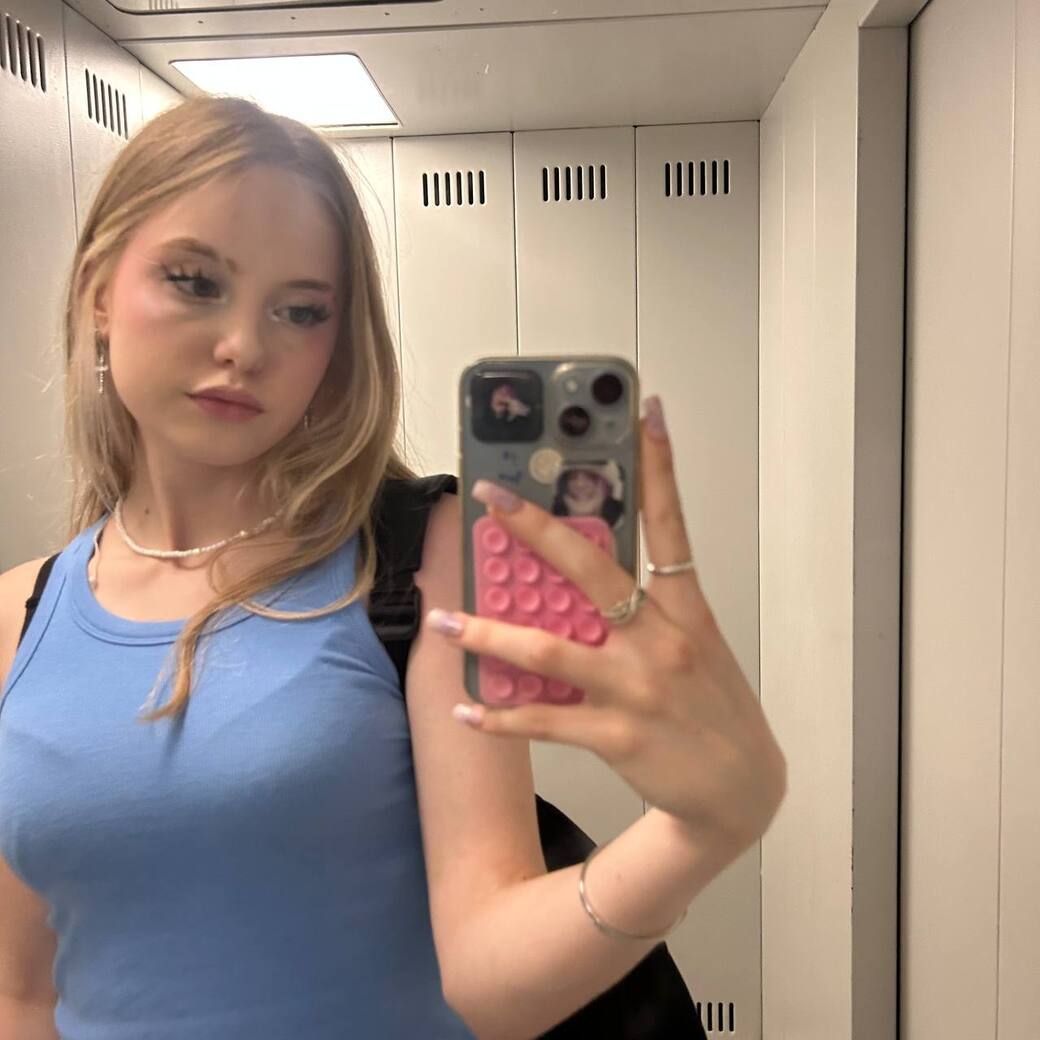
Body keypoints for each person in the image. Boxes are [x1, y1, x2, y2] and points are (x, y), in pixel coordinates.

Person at [0, 96, 787, 1040]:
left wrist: (699, 831)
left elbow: (493, 980)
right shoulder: (17, 615)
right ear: (99, 290)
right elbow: (23, 991)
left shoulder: (420, 560)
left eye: (301, 311)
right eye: (195, 281)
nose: (244, 347)